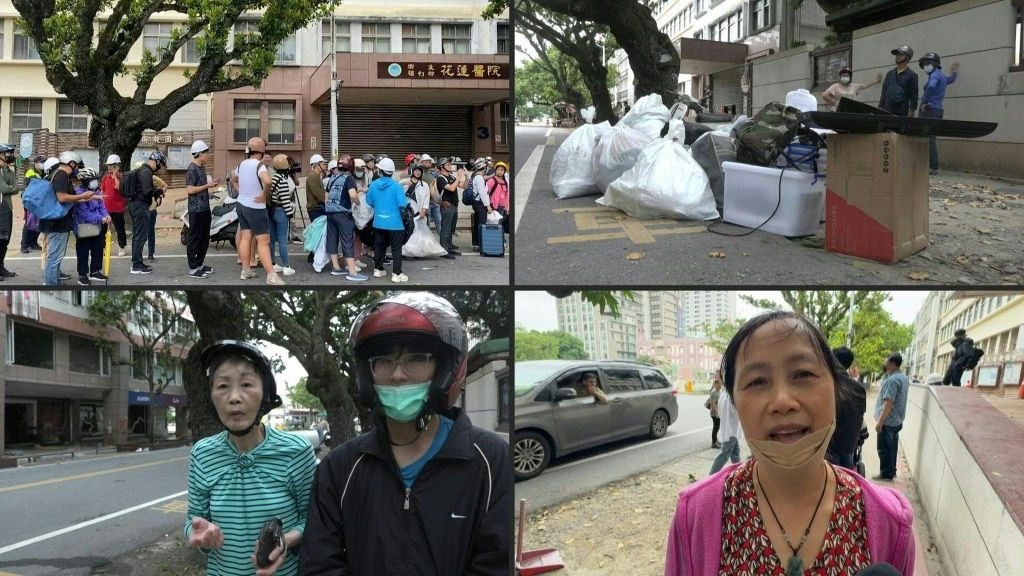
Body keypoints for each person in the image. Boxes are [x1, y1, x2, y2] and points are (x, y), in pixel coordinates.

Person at [666, 311, 916, 576]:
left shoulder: (889, 522)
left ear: (836, 389)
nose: (783, 402)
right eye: (757, 381)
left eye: (803, 374)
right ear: (735, 403)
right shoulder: (694, 516)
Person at [298, 292, 510, 575]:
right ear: (366, 374)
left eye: (417, 358)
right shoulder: (339, 468)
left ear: (444, 370)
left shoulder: (490, 461)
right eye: (383, 361)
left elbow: (496, 564)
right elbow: (320, 565)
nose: (398, 374)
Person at [186, 340, 317, 576]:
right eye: (223, 386)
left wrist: (285, 540)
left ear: (265, 394)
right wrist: (199, 535)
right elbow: (193, 521)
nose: (234, 397)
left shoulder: (296, 451)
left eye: (246, 384)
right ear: (211, 397)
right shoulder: (202, 454)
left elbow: (314, 519)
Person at [234, 137, 285, 285]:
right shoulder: (259, 165)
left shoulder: (241, 164)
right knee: (264, 242)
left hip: (241, 204)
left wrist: (241, 192)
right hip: (255, 207)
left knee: (245, 237)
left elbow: (233, 179)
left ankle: (246, 270)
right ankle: (271, 275)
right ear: (262, 152)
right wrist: (264, 194)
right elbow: (268, 181)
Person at [42, 152, 95, 285]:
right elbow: (62, 197)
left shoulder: (57, 174)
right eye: (76, 165)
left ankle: (55, 281)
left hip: (57, 221)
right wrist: (82, 196)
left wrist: (90, 197)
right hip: (57, 222)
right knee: (54, 256)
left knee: (57, 255)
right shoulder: (61, 175)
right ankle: (51, 284)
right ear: (71, 163)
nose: (77, 169)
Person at [323, 155, 367, 281]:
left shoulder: (332, 178)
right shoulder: (348, 180)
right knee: (348, 240)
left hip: (330, 213)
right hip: (343, 214)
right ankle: (352, 272)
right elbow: (353, 195)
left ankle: (336, 268)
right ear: (351, 167)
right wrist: (358, 204)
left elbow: (326, 197)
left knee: (332, 238)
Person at [365, 157, 409, 283]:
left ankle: (378, 269)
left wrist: (379, 207)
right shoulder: (396, 186)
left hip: (378, 221)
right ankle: (397, 273)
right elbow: (403, 204)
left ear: (380, 170)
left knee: (379, 245)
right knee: (396, 248)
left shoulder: (373, 185)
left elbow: (369, 201)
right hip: (395, 223)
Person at [825, 346, 867, 472]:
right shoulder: (859, 388)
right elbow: (860, 416)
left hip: (828, 449)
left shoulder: (828, 384)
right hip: (849, 448)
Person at [918, 53, 960, 175]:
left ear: (935, 64)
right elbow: (950, 80)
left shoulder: (935, 75)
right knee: (931, 138)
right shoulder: (941, 76)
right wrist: (955, 71)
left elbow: (931, 86)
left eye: (928, 64)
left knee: (925, 138)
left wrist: (925, 102)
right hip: (938, 110)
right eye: (924, 65)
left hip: (929, 110)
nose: (925, 66)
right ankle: (932, 166)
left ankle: (932, 167)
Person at [71, 167, 112, 285]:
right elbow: (84, 214)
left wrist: (106, 215)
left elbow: (101, 207)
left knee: (98, 249)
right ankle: (82, 275)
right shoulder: (79, 194)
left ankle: (95, 271)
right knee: (83, 252)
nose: (96, 182)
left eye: (96, 179)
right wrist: (101, 218)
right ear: (85, 181)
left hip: (97, 228)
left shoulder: (97, 192)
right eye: (92, 179)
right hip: (83, 228)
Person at [873, 353, 910, 482]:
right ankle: (891, 470)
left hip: (888, 421)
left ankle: (886, 473)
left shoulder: (892, 380)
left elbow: (889, 402)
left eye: (887, 362)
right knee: (892, 447)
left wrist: (880, 421)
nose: (885, 364)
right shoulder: (903, 378)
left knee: (884, 448)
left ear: (893, 364)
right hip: (897, 420)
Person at [185, 140, 219, 279]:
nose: (207, 155)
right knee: (194, 238)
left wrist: (209, 188)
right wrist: (207, 186)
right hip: (196, 209)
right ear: (199, 153)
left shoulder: (201, 168)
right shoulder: (192, 168)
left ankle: (200, 264)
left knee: (205, 238)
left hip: (204, 208)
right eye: (205, 152)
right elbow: (190, 189)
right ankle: (193, 268)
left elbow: (200, 187)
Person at [128, 152, 165, 274]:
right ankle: (137, 265)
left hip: (134, 205)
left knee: (137, 235)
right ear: (157, 161)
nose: (160, 167)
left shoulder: (141, 170)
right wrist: (158, 191)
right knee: (141, 236)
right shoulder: (147, 172)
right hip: (140, 206)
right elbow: (147, 191)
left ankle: (136, 262)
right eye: (160, 164)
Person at [268, 154, 298, 277]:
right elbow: (285, 200)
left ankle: (273, 264)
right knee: (282, 240)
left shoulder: (274, 177)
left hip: (272, 211)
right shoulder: (283, 180)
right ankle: (286, 266)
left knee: (272, 240)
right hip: (281, 212)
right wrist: (291, 216)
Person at [708, 373, 742, 474]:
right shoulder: (730, 397)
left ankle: (739, 472)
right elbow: (736, 414)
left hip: (730, 430)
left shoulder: (724, 394)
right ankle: (711, 476)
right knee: (724, 455)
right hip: (730, 430)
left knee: (735, 453)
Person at [435, 158, 464, 259]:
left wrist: (466, 176)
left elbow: (463, 186)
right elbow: (452, 188)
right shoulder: (440, 178)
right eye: (447, 164)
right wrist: (459, 176)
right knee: (446, 229)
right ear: (441, 167)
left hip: (454, 205)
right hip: (447, 206)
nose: (450, 165)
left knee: (451, 228)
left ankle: (449, 247)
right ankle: (444, 250)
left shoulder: (451, 176)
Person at [99, 155, 127, 257]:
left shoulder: (122, 177)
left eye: (111, 165)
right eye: (108, 165)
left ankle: (122, 247)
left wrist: (115, 176)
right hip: (106, 208)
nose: (109, 167)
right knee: (103, 230)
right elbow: (102, 190)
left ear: (117, 165)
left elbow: (119, 187)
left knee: (120, 229)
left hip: (118, 208)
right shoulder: (105, 177)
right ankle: (102, 248)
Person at [879, 45, 919, 117]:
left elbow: (914, 95)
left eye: (901, 54)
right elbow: (884, 92)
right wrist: (880, 107)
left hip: (901, 112)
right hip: (886, 111)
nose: (898, 56)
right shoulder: (890, 73)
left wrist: (912, 110)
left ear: (908, 57)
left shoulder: (912, 75)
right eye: (897, 54)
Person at [305, 154, 328, 264]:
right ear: (317, 165)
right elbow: (319, 195)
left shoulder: (316, 177)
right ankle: (313, 255)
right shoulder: (312, 177)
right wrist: (327, 201)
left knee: (319, 233)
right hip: (316, 208)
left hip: (316, 208)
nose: (325, 166)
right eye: (323, 164)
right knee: (318, 233)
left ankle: (313, 254)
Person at [20, 155, 46, 254]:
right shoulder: (31, 173)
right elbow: (32, 187)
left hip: (40, 201)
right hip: (31, 201)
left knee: (39, 222)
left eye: (44, 162)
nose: (42, 164)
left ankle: (33, 243)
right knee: (29, 223)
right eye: (41, 162)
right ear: (35, 164)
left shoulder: (44, 173)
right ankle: (24, 245)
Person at [0, 144, 18, 278]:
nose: (12, 155)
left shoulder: (9, 171)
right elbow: (5, 189)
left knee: (5, 239)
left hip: (7, 207)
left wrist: (11, 188)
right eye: (8, 153)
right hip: (1, 208)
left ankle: (1, 267)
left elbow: (14, 187)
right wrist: (12, 188)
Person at [468, 158, 492, 252]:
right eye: (486, 167)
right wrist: (488, 205)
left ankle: (477, 244)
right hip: (480, 203)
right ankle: (481, 244)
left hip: (477, 203)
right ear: (483, 167)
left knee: (478, 223)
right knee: (482, 224)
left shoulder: (476, 177)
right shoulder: (479, 178)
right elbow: (482, 193)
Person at [706, 372, 722, 449]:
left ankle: (716, 440)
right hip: (714, 414)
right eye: (719, 384)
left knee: (717, 427)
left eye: (721, 384)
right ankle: (714, 443)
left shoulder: (719, 391)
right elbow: (713, 404)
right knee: (715, 428)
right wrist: (717, 413)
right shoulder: (714, 392)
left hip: (717, 413)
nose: (721, 385)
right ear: (716, 384)